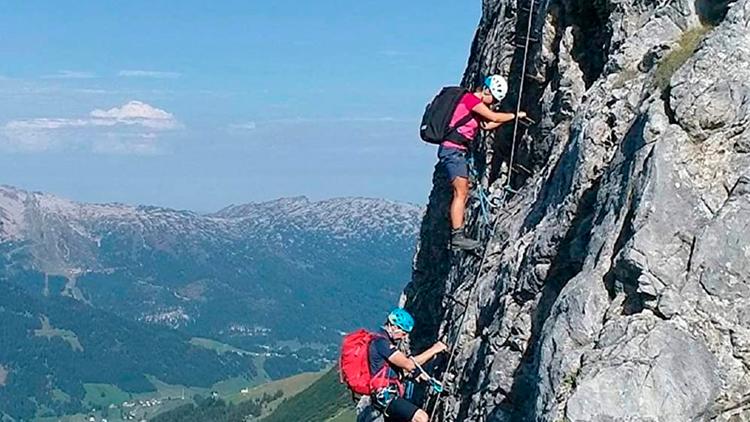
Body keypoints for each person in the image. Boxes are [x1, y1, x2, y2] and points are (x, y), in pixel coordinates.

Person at [438, 75, 527, 250]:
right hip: (453, 151)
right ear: (487, 90)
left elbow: (486, 125)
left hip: (455, 151)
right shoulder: (470, 99)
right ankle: (457, 236)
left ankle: (459, 235)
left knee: (462, 192)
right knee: (460, 193)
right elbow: (493, 117)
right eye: (493, 98)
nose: (492, 102)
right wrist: (515, 115)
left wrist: (511, 119)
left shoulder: (472, 105)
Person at [368, 308, 447, 422]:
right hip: (386, 396)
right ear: (394, 327)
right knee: (421, 418)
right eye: (403, 333)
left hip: (386, 396)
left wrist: (422, 377)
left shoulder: (382, 341)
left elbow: (397, 369)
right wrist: (435, 349)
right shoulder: (382, 343)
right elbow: (409, 365)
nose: (404, 337)